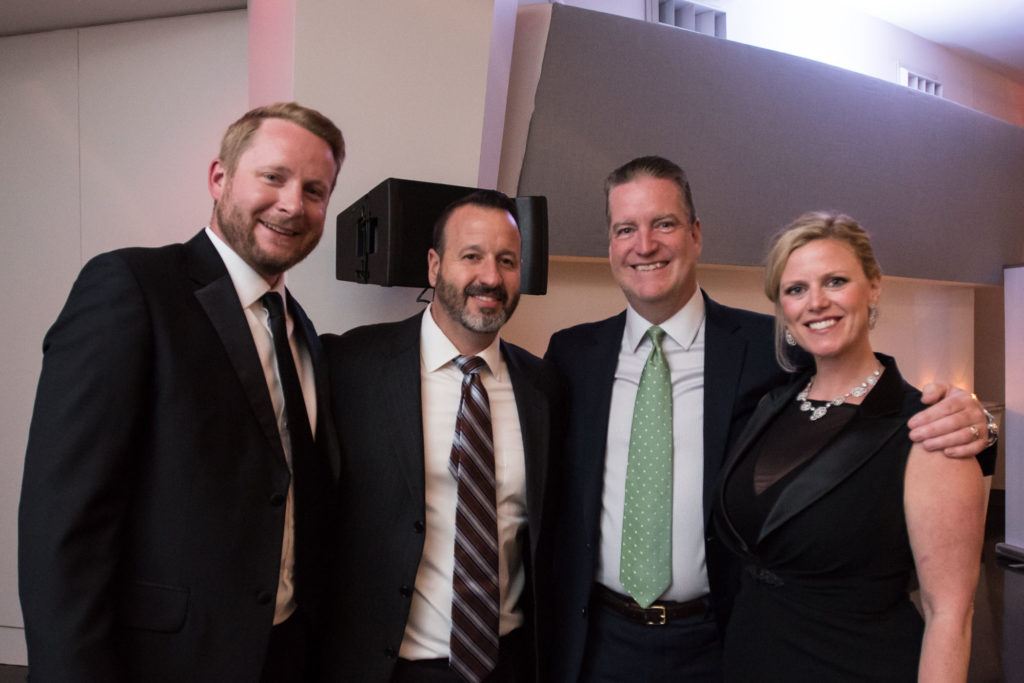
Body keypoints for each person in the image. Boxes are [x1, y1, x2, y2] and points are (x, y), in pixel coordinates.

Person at [543, 156, 996, 682]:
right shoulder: (572, 356)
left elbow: (862, 396)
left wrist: (977, 426)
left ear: (695, 234)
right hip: (599, 641)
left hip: (723, 639)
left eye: (663, 223)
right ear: (610, 244)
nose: (645, 245)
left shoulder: (771, 350)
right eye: (626, 229)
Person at [19, 102, 345, 682]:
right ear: (220, 178)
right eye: (273, 176)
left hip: (284, 655)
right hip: (164, 662)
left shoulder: (303, 332)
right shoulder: (131, 287)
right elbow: (62, 524)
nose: (293, 204)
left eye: (315, 190)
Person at [714, 211, 986, 681]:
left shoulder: (928, 429)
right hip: (751, 659)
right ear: (782, 308)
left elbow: (950, 616)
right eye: (796, 289)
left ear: (873, 287)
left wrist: (986, 425)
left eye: (835, 281)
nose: (816, 302)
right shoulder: (770, 405)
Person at [321, 190, 562, 682]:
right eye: (471, 256)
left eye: (507, 261)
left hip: (509, 665)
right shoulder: (352, 366)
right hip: (389, 667)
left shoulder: (545, 387)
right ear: (434, 266)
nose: (490, 277)